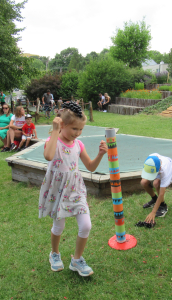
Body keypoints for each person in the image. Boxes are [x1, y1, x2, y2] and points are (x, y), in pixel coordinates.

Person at [39, 101, 108, 277]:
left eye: (80, 130)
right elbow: (48, 156)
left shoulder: (78, 145)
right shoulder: (53, 140)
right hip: (58, 190)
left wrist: (100, 154)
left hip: (76, 189)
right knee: (58, 226)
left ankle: (76, 260)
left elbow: (91, 166)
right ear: (62, 125)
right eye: (74, 129)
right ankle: (54, 254)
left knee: (86, 225)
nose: (77, 133)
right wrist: (55, 130)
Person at [141, 153, 172, 223]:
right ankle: (154, 199)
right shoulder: (150, 159)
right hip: (157, 169)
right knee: (143, 182)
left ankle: (163, 206)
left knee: (156, 183)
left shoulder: (165, 171)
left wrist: (153, 212)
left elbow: (162, 193)